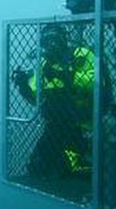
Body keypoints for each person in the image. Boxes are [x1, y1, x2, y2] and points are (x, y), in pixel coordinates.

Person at [12, 23, 95, 179]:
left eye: (55, 39)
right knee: (37, 169)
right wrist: (23, 85)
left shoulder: (80, 54)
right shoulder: (44, 64)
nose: (52, 44)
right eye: (47, 40)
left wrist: (64, 75)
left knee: (78, 170)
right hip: (55, 127)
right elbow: (35, 96)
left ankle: (83, 165)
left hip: (82, 124)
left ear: (64, 39)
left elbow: (94, 82)